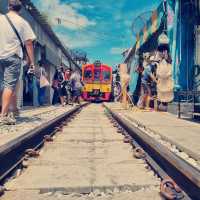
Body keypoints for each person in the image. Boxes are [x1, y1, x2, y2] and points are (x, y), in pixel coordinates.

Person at [0, 0, 36, 125]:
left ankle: (13, 110)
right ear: (20, 10)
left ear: (8, 6)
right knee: (9, 85)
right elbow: (29, 43)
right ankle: (3, 115)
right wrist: (32, 62)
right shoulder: (23, 22)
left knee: (5, 85)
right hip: (13, 57)